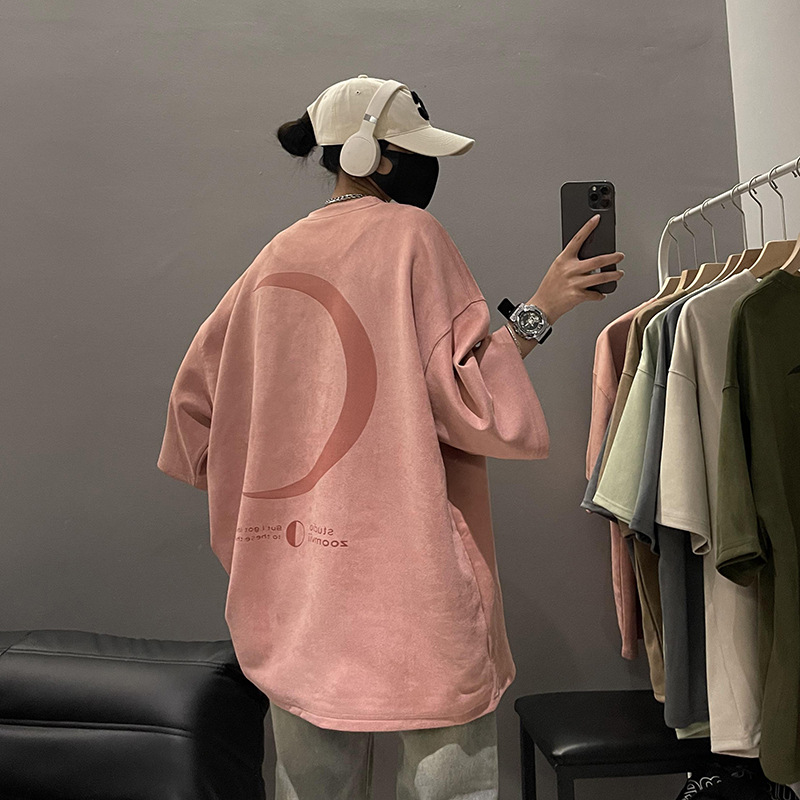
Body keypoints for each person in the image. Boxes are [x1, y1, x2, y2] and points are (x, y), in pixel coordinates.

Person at [157, 74, 624, 800]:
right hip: (412, 580)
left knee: (311, 787)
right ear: (373, 154)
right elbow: (469, 402)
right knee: (449, 783)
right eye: (418, 152)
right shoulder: (412, 236)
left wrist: (264, 476)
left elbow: (195, 408)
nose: (428, 168)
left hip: (296, 585)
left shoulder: (274, 256)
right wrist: (544, 307)